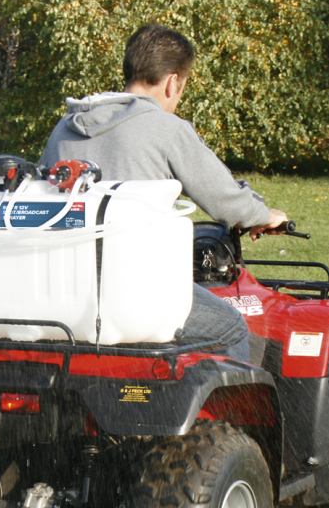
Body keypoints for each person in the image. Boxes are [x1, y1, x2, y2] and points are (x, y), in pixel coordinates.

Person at [40, 23, 287, 363]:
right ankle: (228, 417)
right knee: (231, 329)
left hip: (65, 291)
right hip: (135, 295)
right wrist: (265, 216)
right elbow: (226, 200)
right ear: (173, 82)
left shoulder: (65, 127)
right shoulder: (167, 129)